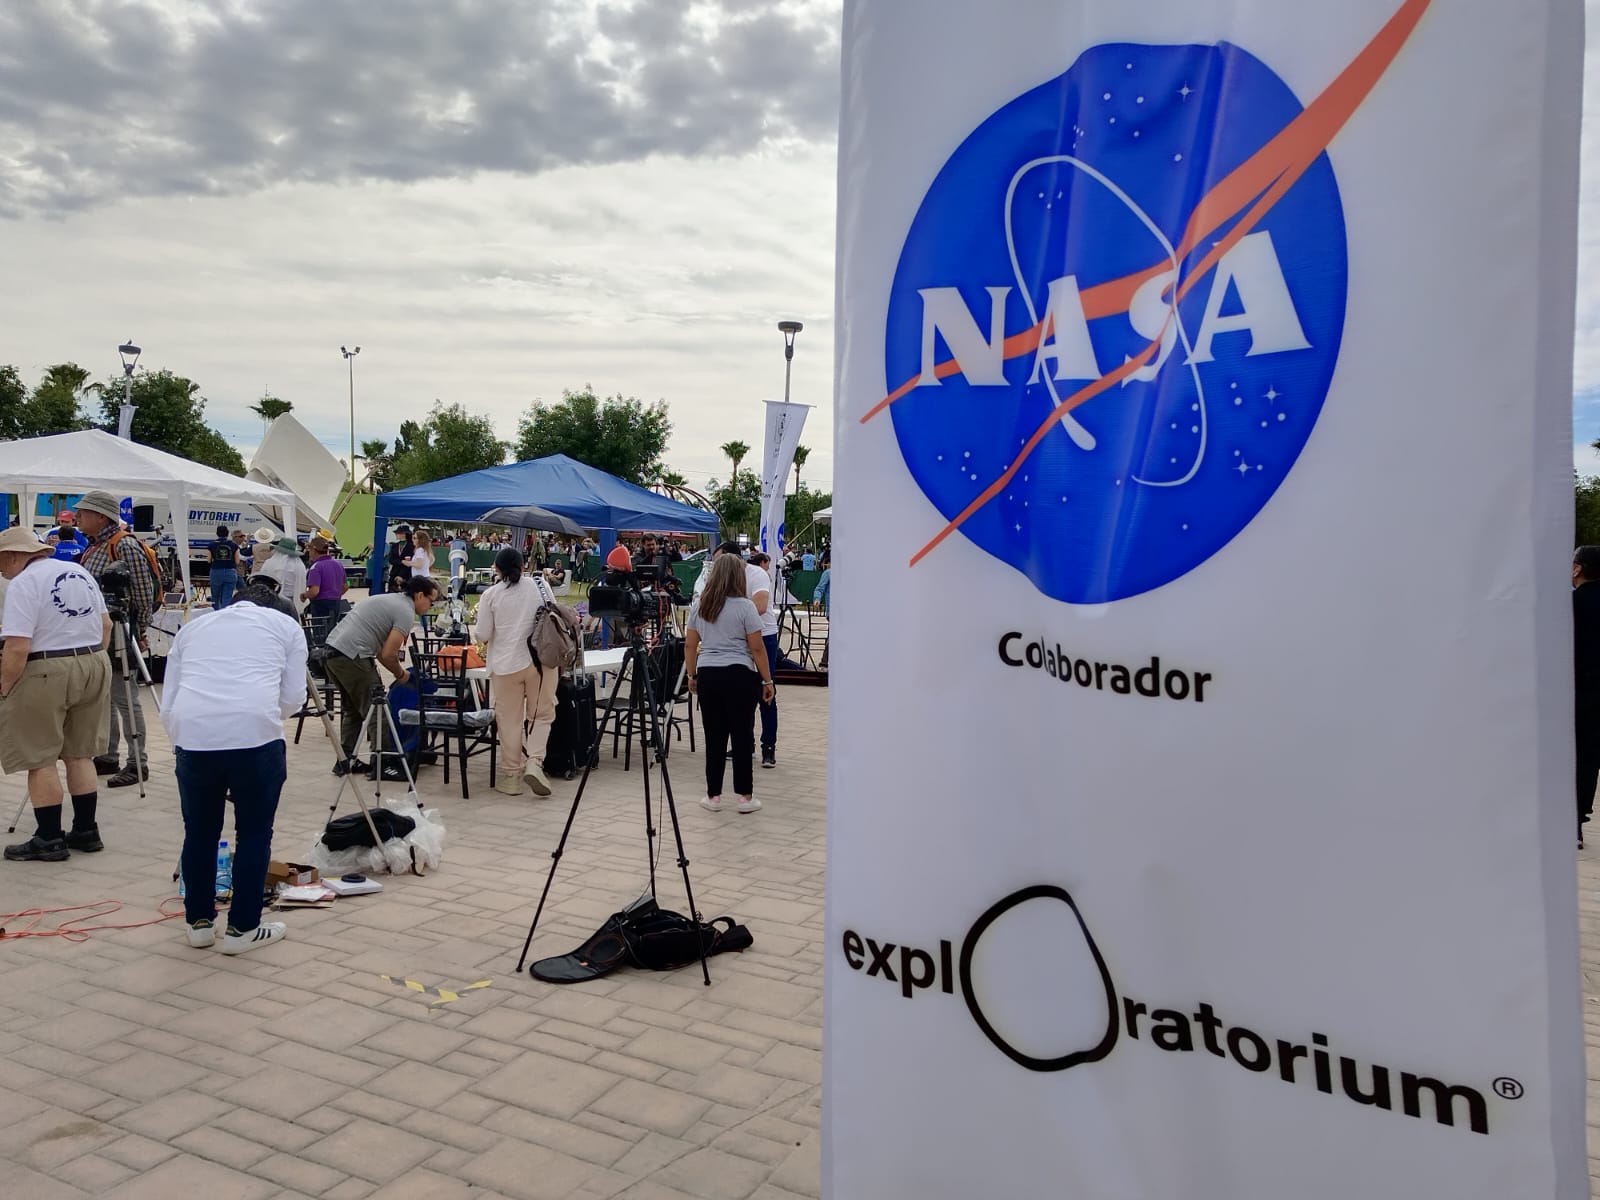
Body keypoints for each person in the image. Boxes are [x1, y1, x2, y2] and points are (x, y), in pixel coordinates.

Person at [159, 580, 304, 953]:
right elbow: (292, 698)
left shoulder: (193, 628)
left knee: (199, 833)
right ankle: (243, 928)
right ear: (274, 607)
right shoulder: (286, 626)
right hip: (255, 736)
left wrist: (185, 742)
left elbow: (169, 699)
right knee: (255, 833)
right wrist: (262, 717)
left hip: (193, 736)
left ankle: (199, 923)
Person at [0, 527, 112, 862]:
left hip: (47, 668)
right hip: (93, 660)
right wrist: (91, 658)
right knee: (80, 754)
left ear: (15, 555)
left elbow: (18, 646)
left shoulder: (23, 583)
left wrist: (6, 684)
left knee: (41, 757)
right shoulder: (77, 570)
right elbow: (105, 626)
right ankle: (86, 830)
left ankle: (49, 838)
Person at [75, 489, 158, 788]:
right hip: (99, 630)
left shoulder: (123, 545)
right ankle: (108, 755)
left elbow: (142, 591)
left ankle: (137, 763)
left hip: (121, 630)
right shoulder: (97, 546)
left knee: (125, 697)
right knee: (106, 694)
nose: (77, 517)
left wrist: (141, 629)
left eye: (83, 513)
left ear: (100, 516)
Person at [685, 553, 774, 814]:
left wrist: (692, 675)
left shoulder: (701, 605)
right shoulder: (745, 607)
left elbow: (690, 645)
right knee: (742, 734)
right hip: (739, 674)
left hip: (709, 673)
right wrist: (767, 679)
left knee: (714, 736)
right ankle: (745, 797)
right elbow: (757, 648)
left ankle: (713, 795)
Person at [322, 577, 439, 774]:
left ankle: (345, 761)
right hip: (353, 655)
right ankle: (384, 763)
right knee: (377, 709)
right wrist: (401, 674)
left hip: (331, 653)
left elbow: (382, 651)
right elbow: (386, 654)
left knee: (352, 710)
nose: (431, 606)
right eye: (431, 601)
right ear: (419, 595)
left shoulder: (391, 600)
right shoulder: (406, 611)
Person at [475, 547, 559, 797]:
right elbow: (553, 613)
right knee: (541, 715)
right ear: (523, 566)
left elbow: (483, 634)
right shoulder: (539, 585)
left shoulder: (490, 595)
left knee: (508, 721)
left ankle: (511, 775)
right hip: (540, 663)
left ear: (497, 569)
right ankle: (535, 761)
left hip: (504, 665)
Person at [1575, 546, 1600, 847]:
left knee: (1582, 759)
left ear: (1578, 569)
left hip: (1584, 693)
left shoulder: (1571, 604)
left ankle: (1575, 824)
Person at [745, 550, 779, 767]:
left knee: (766, 691)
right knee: (742, 693)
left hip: (763, 635)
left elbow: (760, 606)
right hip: (739, 636)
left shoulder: (757, 574)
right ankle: (745, 743)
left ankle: (769, 746)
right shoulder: (724, 575)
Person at [258, 537, 308, 617]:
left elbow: (262, 579)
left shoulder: (269, 563)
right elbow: (302, 582)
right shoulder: (298, 565)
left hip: (272, 599)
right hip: (292, 600)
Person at [302, 536, 347, 622]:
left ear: (313, 550)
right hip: (336, 604)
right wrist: (336, 593)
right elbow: (346, 585)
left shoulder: (316, 567)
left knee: (321, 632)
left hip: (320, 606)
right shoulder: (339, 564)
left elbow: (314, 591)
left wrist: (304, 595)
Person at [206, 524, 239, 608]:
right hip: (230, 572)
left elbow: (208, 560)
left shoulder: (211, 545)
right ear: (227, 533)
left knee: (215, 596)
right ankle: (225, 615)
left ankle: (215, 613)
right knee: (227, 597)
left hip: (216, 571)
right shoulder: (234, 545)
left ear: (217, 533)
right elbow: (237, 561)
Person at [386, 525, 415, 592]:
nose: (396, 534)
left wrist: (401, 575)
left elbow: (410, 562)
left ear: (404, 534)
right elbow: (391, 560)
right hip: (394, 573)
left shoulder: (411, 546)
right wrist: (401, 561)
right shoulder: (394, 546)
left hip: (406, 575)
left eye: (398, 533)